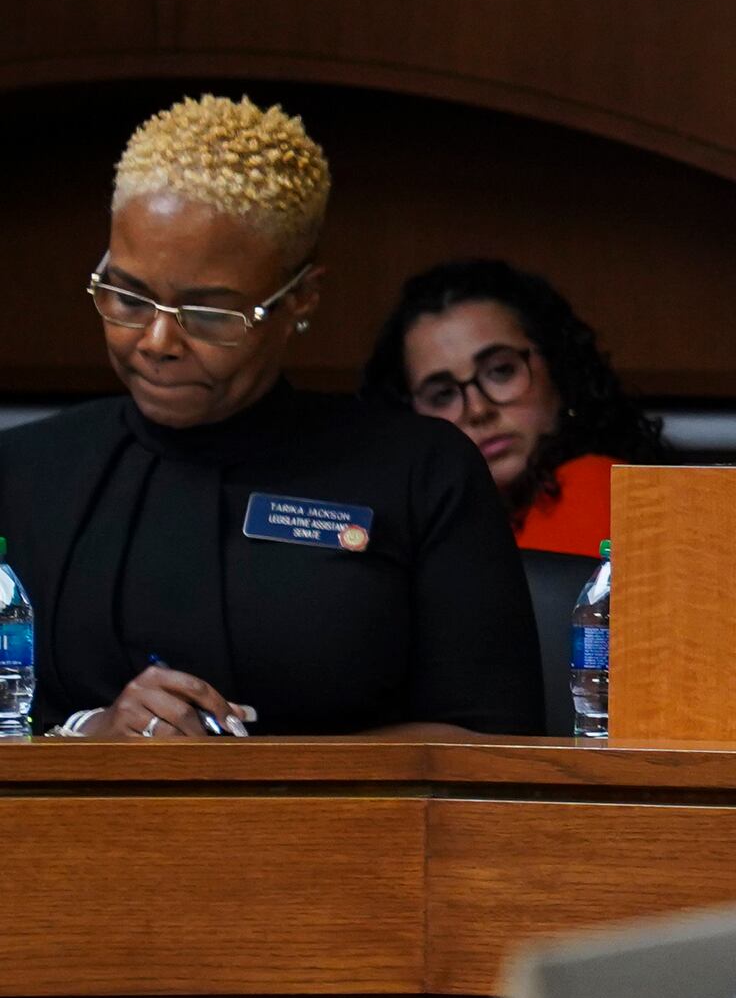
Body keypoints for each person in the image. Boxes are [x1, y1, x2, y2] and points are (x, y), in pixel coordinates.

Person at [0, 97, 545, 739]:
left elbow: (493, 743)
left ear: (300, 300)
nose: (156, 341)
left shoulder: (421, 473)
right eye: (126, 295)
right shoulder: (26, 474)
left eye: (208, 313)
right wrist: (93, 736)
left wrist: (260, 778)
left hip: (360, 839)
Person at [361, 258, 668, 555]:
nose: (478, 410)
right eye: (443, 394)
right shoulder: (433, 529)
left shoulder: (595, 486)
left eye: (501, 371)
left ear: (559, 367)